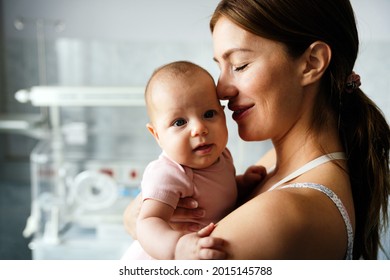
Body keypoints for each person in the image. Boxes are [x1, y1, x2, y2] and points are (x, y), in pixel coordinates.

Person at [124, 0, 390, 259]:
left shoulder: (280, 214)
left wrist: (140, 223)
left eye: (239, 65)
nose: (221, 91)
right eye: (220, 67)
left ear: (312, 62)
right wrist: (140, 215)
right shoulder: (280, 163)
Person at [121, 61, 264, 259]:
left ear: (223, 114)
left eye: (208, 114)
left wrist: (242, 183)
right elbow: (148, 222)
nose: (199, 128)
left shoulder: (222, 156)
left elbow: (218, 194)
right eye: (179, 122)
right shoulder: (169, 173)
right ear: (157, 135)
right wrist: (177, 248)